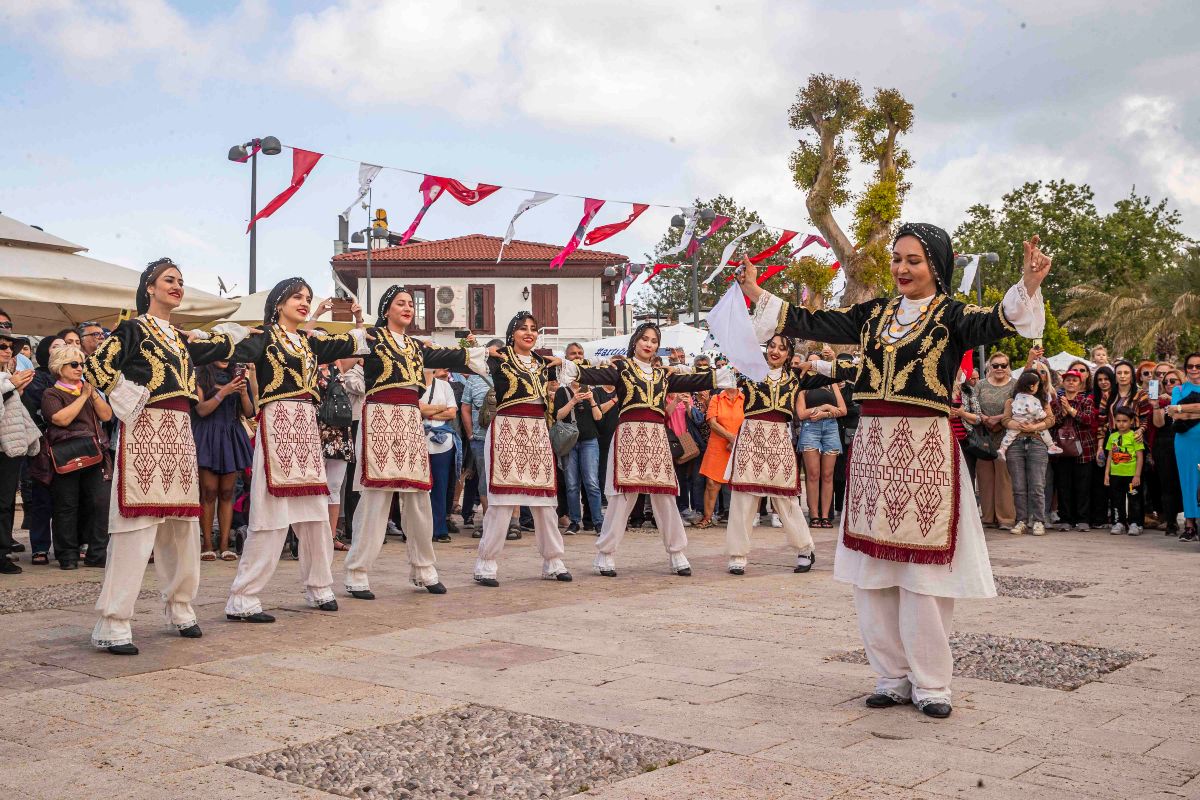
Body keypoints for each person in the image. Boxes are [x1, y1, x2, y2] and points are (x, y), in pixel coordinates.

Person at [737, 223, 1049, 719]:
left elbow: (998, 321)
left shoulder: (953, 315)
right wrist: (756, 291)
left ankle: (931, 684)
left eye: (914, 261)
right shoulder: (873, 313)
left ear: (936, 266)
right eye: (897, 259)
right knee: (873, 572)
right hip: (873, 450)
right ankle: (890, 675)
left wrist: (1028, 286)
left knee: (923, 571)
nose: (902, 269)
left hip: (925, 449)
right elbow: (813, 321)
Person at [83, 257, 243, 654]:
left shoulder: (183, 338)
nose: (176, 285)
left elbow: (229, 344)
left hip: (181, 429)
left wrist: (246, 332)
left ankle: (180, 607)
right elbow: (97, 366)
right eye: (168, 280)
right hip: (146, 427)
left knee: (182, 526)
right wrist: (129, 399)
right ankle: (114, 621)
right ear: (149, 287)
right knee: (136, 527)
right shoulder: (133, 328)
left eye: (181, 281)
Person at [223, 280, 369, 623]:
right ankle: (242, 597)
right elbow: (226, 345)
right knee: (270, 516)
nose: (304, 302)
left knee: (317, 514)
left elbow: (352, 344)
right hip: (276, 423)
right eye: (296, 297)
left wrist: (360, 322)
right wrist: (199, 340)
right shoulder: (263, 337)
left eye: (307, 298)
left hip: (306, 426)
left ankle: (319, 586)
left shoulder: (309, 342)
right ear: (278, 303)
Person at [342, 287, 488, 599]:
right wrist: (353, 326)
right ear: (386, 310)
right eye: (401, 303)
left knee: (418, 499)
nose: (408, 308)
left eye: (411, 304)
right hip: (380, 418)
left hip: (409, 422)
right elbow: (341, 355)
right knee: (375, 500)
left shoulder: (415, 346)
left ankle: (424, 569)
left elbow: (447, 356)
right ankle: (357, 573)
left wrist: (479, 353)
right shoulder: (371, 338)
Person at [559, 322, 730, 577]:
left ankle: (677, 553)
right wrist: (566, 365)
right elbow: (593, 374)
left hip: (656, 437)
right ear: (636, 341)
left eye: (654, 341)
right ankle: (605, 554)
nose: (649, 344)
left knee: (664, 496)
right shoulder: (622, 368)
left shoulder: (663, 375)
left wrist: (727, 372)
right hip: (628, 435)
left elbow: (694, 379)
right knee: (621, 498)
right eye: (645, 339)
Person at [473, 312, 571, 587]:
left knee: (545, 503)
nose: (529, 333)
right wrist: (485, 351)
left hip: (537, 431)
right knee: (503, 500)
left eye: (533, 328)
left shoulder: (544, 363)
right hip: (507, 429)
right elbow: (468, 359)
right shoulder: (498, 358)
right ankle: (486, 563)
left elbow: (577, 373)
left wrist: (562, 362)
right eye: (522, 328)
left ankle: (553, 561)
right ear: (512, 333)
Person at [724, 334, 833, 575]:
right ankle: (738, 554)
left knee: (786, 498)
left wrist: (815, 363)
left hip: (779, 438)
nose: (775, 351)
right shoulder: (749, 373)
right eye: (772, 346)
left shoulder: (796, 377)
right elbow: (712, 377)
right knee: (744, 497)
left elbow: (837, 375)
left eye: (782, 348)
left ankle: (805, 548)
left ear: (788, 354)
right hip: (751, 436)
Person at [42, 344, 114, 569]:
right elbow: (61, 419)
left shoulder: (87, 389)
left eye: (81, 364)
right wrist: (83, 397)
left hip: (94, 453)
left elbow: (107, 416)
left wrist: (92, 394)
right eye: (74, 364)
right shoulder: (51, 393)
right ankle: (67, 555)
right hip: (66, 455)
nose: (79, 368)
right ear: (59, 367)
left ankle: (97, 553)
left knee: (100, 503)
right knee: (66, 505)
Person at [192, 361, 255, 561]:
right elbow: (201, 410)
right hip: (208, 434)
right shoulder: (200, 376)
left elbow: (249, 412)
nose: (224, 358)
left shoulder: (237, 375)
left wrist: (244, 392)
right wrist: (223, 392)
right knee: (209, 491)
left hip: (231, 434)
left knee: (228, 492)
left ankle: (225, 545)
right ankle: (207, 544)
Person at [21, 334, 65, 565]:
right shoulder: (38, 378)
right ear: (46, 352)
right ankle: (39, 547)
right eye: (56, 346)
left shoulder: (79, 378)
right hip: (44, 444)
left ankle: (65, 546)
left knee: (66, 501)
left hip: (69, 446)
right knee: (41, 498)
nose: (63, 350)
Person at [1001, 370, 1055, 536]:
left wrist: (1034, 427)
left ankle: (1039, 520)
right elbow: (1005, 419)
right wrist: (1017, 424)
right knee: (1018, 486)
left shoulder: (1042, 401)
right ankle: (1021, 520)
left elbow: (1050, 420)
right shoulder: (1012, 401)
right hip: (1016, 444)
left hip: (1037, 442)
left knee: (1037, 485)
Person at [0, 327, 35, 574]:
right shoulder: (6, 379)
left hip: (8, 448)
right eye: (2, 347)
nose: (8, 352)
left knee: (4, 503)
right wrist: (9, 386)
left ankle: (2, 554)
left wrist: (32, 439)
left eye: (10, 348)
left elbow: (16, 414)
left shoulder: (7, 376)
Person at [460, 338, 502, 534]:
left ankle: (511, 522)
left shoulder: (508, 377)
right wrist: (470, 434)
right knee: (484, 479)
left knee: (507, 478)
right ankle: (488, 521)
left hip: (505, 438)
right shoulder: (474, 379)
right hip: (480, 437)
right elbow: (465, 408)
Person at [317, 357, 358, 551]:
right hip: (316, 430)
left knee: (334, 486)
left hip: (339, 433)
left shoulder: (337, 366)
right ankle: (312, 536)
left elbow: (358, 352)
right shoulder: (306, 366)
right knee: (314, 486)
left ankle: (331, 537)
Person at [555, 372, 605, 534]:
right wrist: (573, 401)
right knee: (571, 485)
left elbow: (598, 418)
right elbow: (558, 415)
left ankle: (598, 522)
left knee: (592, 483)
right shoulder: (562, 392)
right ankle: (574, 522)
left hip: (589, 441)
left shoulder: (593, 391)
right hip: (570, 442)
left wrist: (591, 400)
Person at [796, 372, 848, 528]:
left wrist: (823, 414)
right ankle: (814, 515)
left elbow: (843, 410)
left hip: (831, 428)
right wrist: (825, 407)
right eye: (810, 364)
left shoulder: (832, 383)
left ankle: (825, 516)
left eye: (816, 364)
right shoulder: (803, 386)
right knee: (813, 474)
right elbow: (801, 414)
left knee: (827, 475)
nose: (813, 368)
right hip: (810, 429)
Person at [1050, 369, 1097, 532]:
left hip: (1083, 449)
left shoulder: (1086, 401)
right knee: (1063, 486)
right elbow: (1052, 422)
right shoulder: (1056, 402)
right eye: (1068, 379)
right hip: (1062, 450)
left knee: (1083, 485)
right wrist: (1063, 413)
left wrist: (1071, 410)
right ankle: (1066, 519)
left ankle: (1083, 519)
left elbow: (1088, 420)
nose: (1071, 382)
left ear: (1080, 383)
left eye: (1074, 380)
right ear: (1063, 382)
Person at [976, 352, 1017, 530]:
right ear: (989, 368)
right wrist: (985, 418)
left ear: (1008, 367)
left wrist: (998, 419)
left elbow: (1018, 407)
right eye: (995, 365)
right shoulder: (980, 385)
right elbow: (973, 405)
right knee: (985, 478)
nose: (999, 368)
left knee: (1004, 478)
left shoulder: (1015, 385)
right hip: (983, 436)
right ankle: (988, 518)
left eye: (1003, 365)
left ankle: (1006, 518)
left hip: (1006, 437)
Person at [696, 384, 744, 528]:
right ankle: (708, 518)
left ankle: (740, 520)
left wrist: (737, 440)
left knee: (740, 484)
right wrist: (731, 438)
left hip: (740, 444)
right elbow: (712, 422)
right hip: (718, 445)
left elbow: (749, 422)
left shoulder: (745, 399)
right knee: (712, 484)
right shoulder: (716, 398)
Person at [422, 367, 460, 544]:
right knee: (418, 488)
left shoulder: (444, 387)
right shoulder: (415, 385)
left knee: (441, 485)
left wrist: (428, 410)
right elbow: (416, 410)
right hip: (418, 438)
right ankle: (417, 529)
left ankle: (439, 528)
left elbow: (452, 412)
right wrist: (439, 408)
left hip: (442, 440)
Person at [1167, 354, 1200, 541]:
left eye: (1198, 366)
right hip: (1185, 441)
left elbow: (1178, 410)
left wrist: (1183, 409)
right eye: (1190, 366)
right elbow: (1174, 414)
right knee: (1188, 481)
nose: (1194, 369)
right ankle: (1189, 525)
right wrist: (1181, 411)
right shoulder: (1179, 388)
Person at [997, 374, 1062, 460]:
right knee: (1044, 431)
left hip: (1017, 419)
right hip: (1030, 421)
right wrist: (1043, 415)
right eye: (1037, 385)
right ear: (1032, 387)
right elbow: (1035, 411)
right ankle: (1051, 446)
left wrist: (1018, 424)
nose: (1037, 387)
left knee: (1010, 434)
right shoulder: (1032, 399)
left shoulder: (1017, 396)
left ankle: (1003, 448)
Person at [1151, 368, 1182, 537]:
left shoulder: (1188, 398)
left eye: (1172, 381)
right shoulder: (1160, 401)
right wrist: (1156, 406)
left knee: (1185, 484)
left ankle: (1191, 522)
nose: (1168, 384)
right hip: (1164, 444)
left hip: (1185, 442)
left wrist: (1173, 402)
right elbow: (1158, 424)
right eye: (1165, 382)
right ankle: (1171, 522)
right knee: (1167, 485)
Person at [1105, 407, 1144, 535]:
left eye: (1125, 421)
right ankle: (1118, 522)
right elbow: (1110, 456)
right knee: (1117, 499)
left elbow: (1139, 456)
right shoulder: (1112, 436)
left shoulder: (1135, 436)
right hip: (1116, 475)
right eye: (1118, 421)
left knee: (1134, 499)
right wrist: (1107, 474)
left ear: (1132, 421)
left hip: (1131, 476)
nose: (1121, 424)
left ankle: (1135, 523)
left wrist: (1137, 475)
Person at [1090, 365, 1118, 528]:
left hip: (1116, 438)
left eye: (1106, 379)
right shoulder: (1093, 397)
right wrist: (1100, 447)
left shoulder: (1117, 396)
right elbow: (1100, 424)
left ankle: (1116, 517)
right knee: (1100, 480)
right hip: (1098, 440)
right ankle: (1099, 517)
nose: (1103, 382)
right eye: (1099, 380)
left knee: (1115, 480)